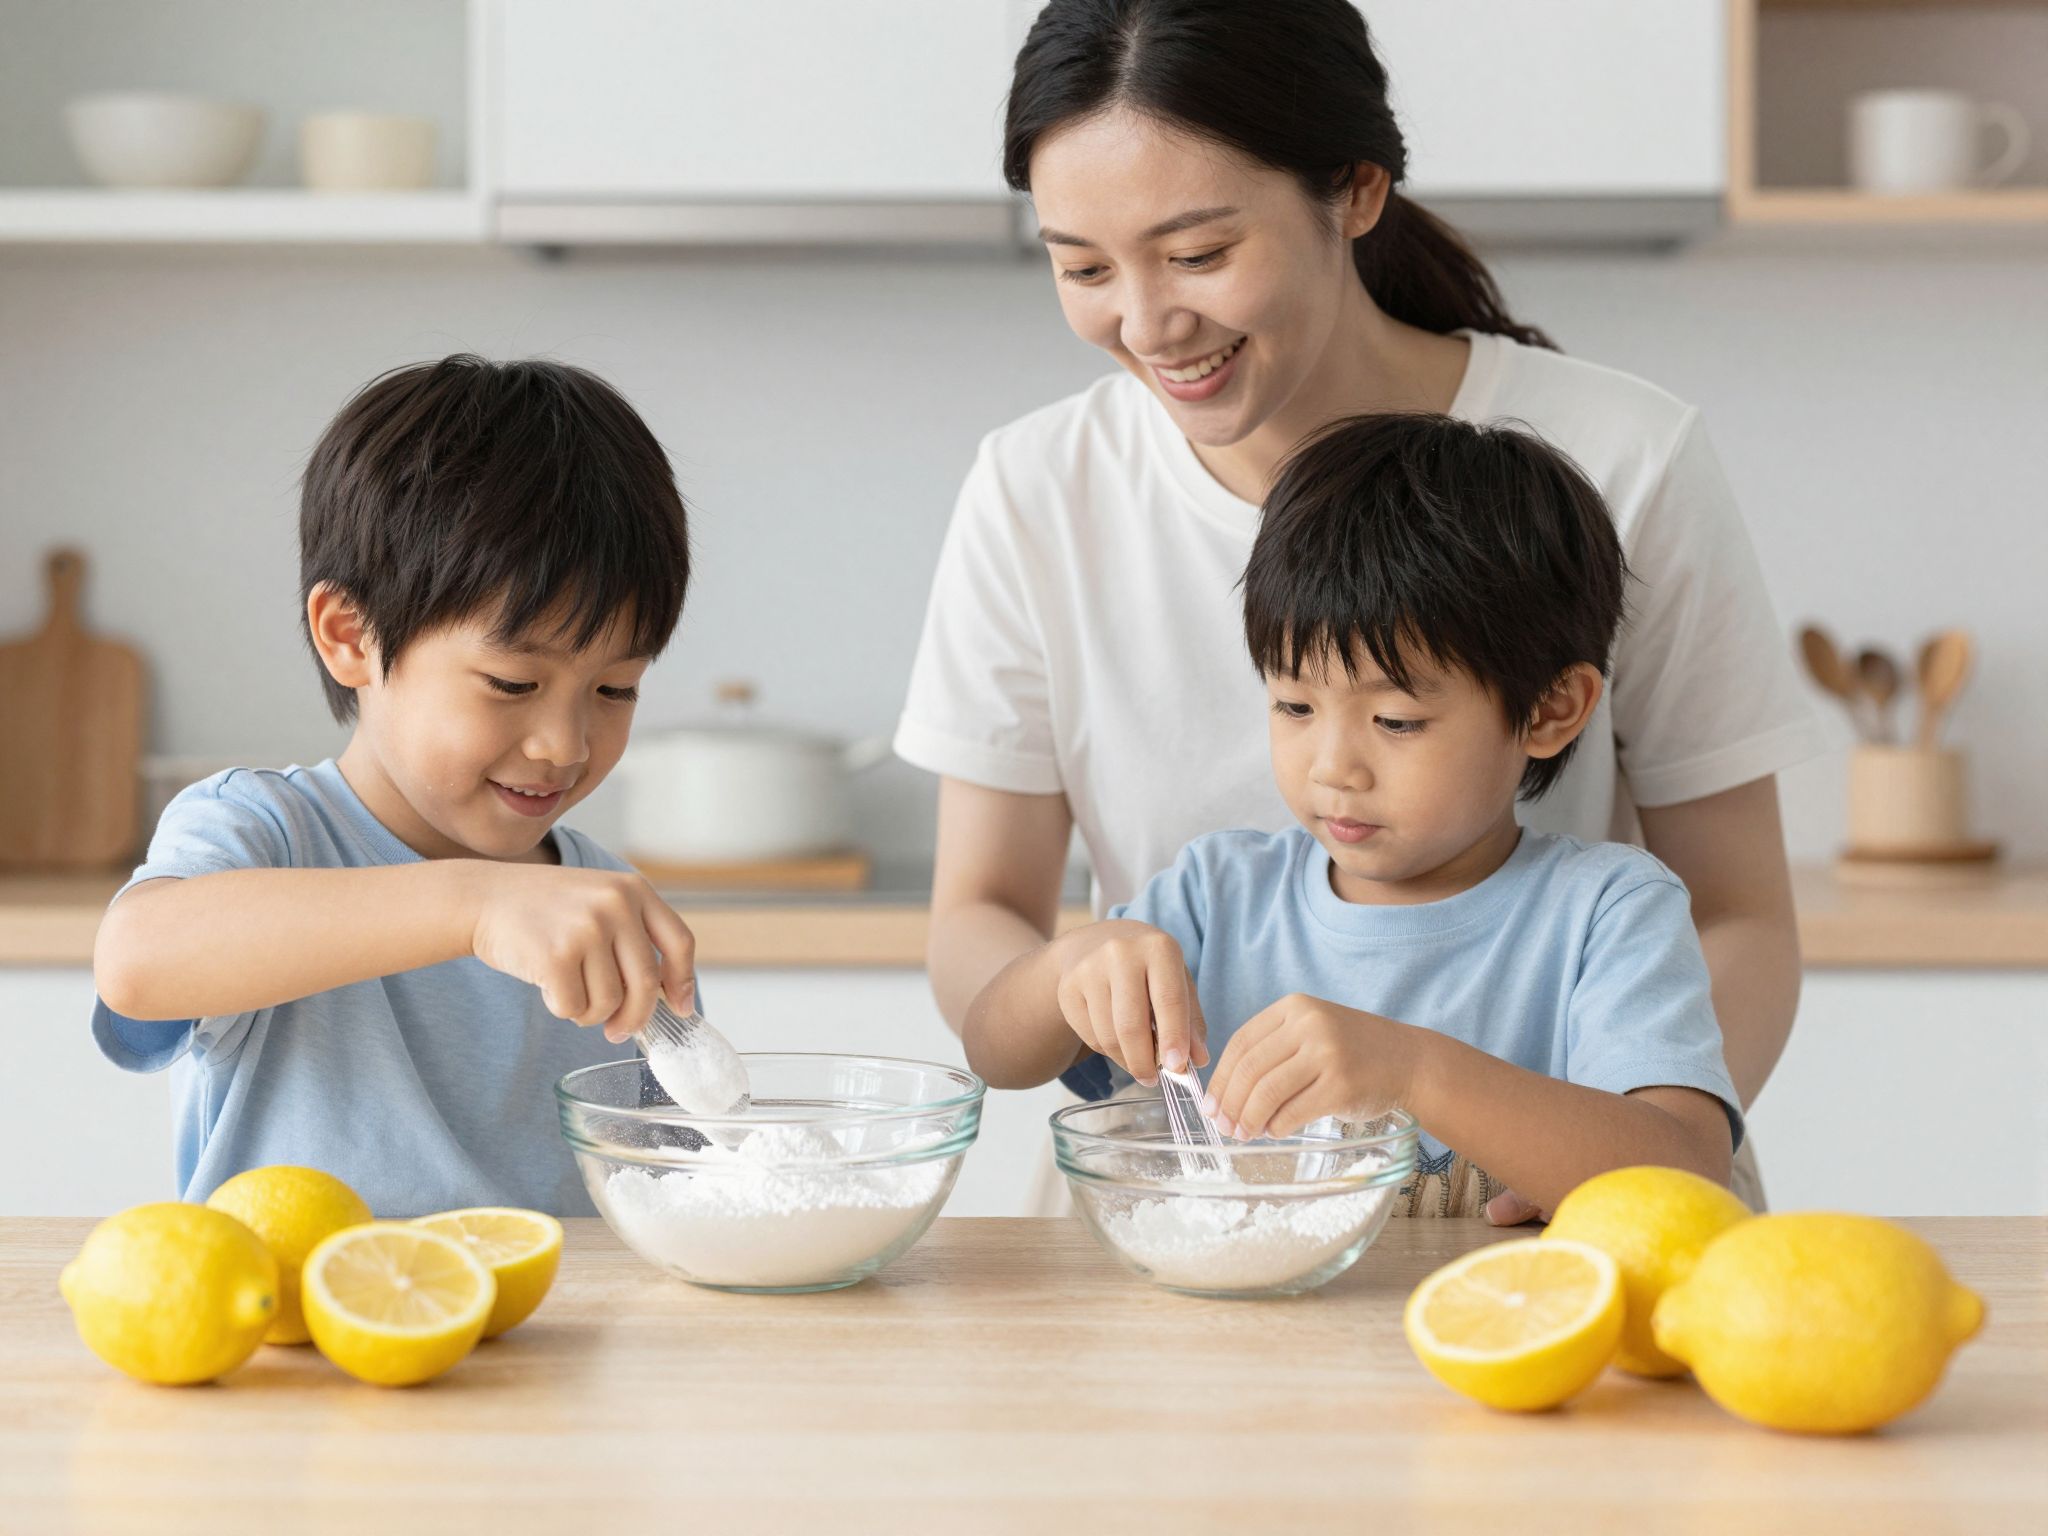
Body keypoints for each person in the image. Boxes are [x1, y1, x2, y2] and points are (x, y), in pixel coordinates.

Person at [897, 0, 1823, 1217]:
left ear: (1352, 192)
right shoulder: (1036, 487)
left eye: (1197, 253)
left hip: (1547, 1216)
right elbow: (982, 920)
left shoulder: (1619, 455)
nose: (1143, 321)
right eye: (1080, 267)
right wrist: (1069, 970)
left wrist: (1587, 1163)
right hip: (1194, 1207)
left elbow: (1740, 915)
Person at [962, 414, 1740, 1216]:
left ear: (1550, 709)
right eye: (1294, 705)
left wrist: (1415, 1071)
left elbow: (1683, 1176)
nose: (1333, 767)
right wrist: (1068, 966)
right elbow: (995, 1053)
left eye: (1396, 721)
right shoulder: (1217, 897)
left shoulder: (1606, 914)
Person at [91, 356, 699, 1216]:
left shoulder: (599, 910)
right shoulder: (267, 832)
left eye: (616, 689)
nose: (565, 744)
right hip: (307, 1336)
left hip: (551, 1344)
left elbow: (675, 1200)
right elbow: (137, 964)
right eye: (513, 684)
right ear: (350, 636)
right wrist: (476, 907)